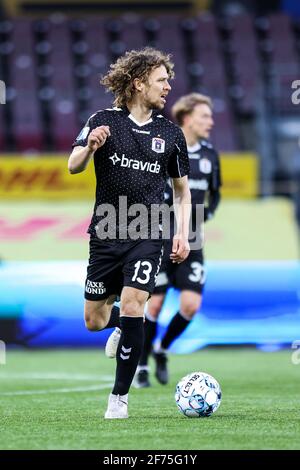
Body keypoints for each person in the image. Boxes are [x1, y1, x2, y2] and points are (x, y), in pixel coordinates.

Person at [68, 48, 191, 418]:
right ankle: (122, 321)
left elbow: (182, 192)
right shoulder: (102, 120)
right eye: (161, 80)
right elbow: (73, 166)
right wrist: (90, 147)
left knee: (137, 303)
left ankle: (119, 398)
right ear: (139, 83)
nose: (168, 86)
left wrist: (183, 233)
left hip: (148, 230)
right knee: (94, 321)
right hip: (106, 229)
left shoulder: (170, 134)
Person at [134, 92, 222, 387]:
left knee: (190, 306)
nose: (210, 121)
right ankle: (142, 364)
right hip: (159, 239)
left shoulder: (210, 154)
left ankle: (162, 348)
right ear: (187, 118)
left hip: (192, 239)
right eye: (204, 116)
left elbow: (216, 192)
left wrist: (206, 214)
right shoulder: (164, 146)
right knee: (154, 306)